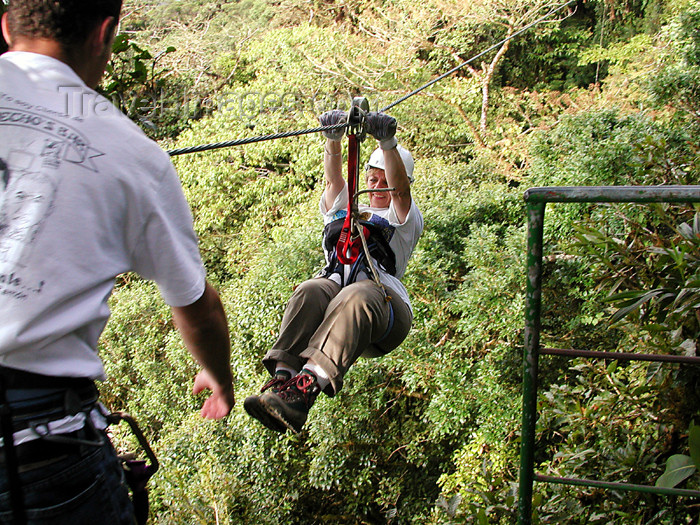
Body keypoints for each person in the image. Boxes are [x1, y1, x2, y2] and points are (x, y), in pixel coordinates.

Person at [0, 1, 235, 523]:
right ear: (104, 35)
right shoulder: (131, 151)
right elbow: (197, 308)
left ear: (7, 24)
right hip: (40, 443)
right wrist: (218, 376)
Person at [244, 109, 423, 434]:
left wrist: (387, 143)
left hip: (384, 306)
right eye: (373, 179)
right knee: (311, 289)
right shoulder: (342, 205)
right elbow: (334, 180)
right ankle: (283, 382)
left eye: (385, 181)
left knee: (357, 293)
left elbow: (399, 193)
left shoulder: (404, 218)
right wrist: (334, 141)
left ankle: (305, 392)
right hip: (337, 297)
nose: (377, 186)